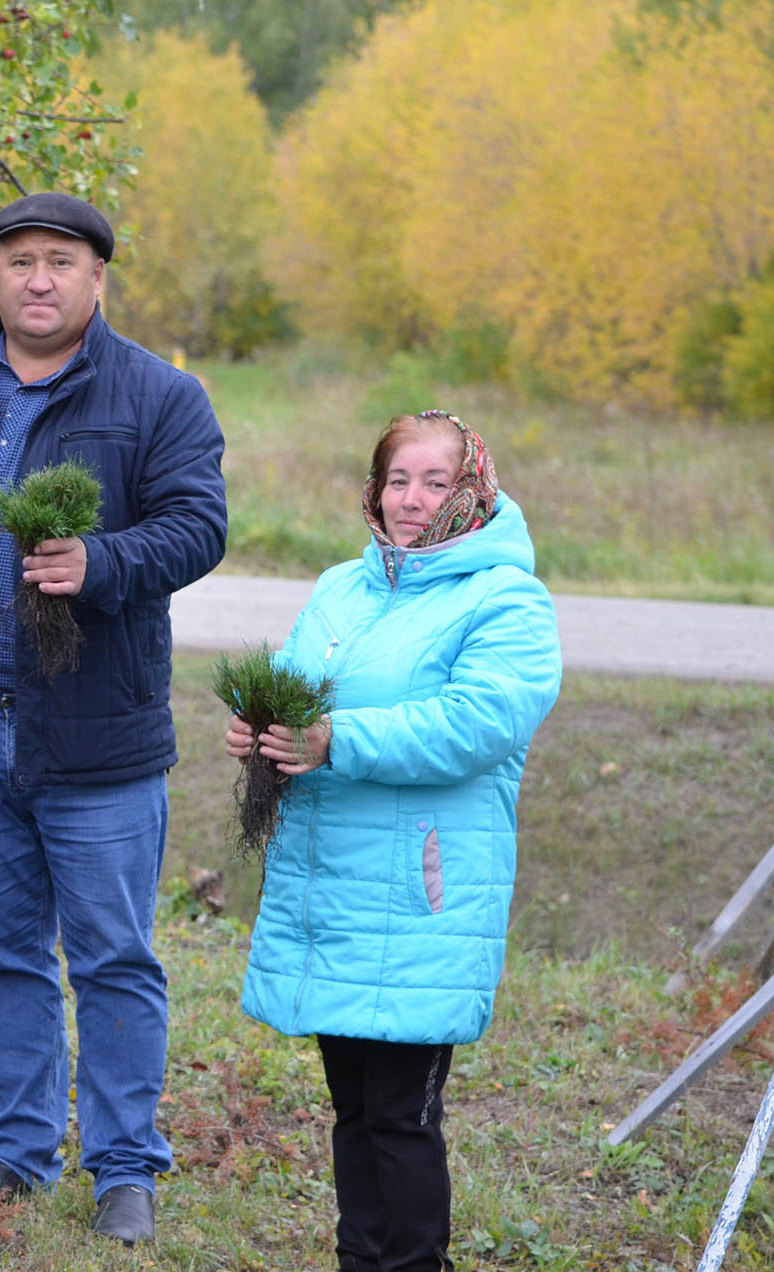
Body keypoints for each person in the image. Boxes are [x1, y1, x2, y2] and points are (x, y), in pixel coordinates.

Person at [0, 191, 227, 1245]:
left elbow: (199, 527)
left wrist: (102, 561)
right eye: (20, 260)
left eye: (60, 262)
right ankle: (19, 1150)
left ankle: (124, 1166)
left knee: (114, 953)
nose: (38, 278)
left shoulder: (159, 397)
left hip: (95, 734)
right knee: (4, 952)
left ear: (98, 279)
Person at [227, 410, 561, 1272]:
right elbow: (301, 687)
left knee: (403, 1118)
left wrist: (336, 739)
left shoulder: (505, 598)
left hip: (421, 892)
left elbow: (475, 724)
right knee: (352, 1110)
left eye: (435, 481)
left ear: (473, 488)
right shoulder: (344, 584)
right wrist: (266, 726)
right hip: (331, 880)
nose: (411, 500)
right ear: (375, 490)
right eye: (396, 480)